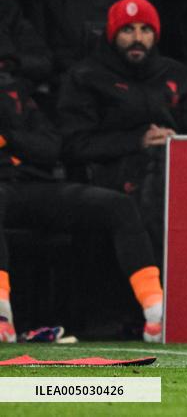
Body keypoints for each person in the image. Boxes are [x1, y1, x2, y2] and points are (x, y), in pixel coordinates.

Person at [0, 66, 164, 343]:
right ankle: (3, 317)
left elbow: (51, 146)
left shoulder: (12, 90)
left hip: (33, 184)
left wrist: (9, 137)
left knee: (119, 207)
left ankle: (156, 314)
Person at [57, 0, 187, 257]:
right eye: (128, 30)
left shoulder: (179, 75)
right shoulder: (86, 77)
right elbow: (73, 144)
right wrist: (138, 141)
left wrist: (178, 142)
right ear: (112, 34)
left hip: (176, 175)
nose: (137, 38)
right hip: (111, 179)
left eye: (145, 29)